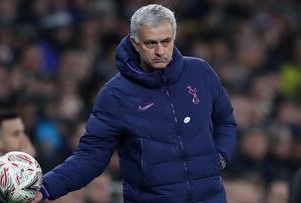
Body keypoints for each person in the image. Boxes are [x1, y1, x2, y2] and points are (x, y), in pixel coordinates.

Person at [32, 4, 237, 203]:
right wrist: (48, 187)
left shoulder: (199, 72)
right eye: (151, 43)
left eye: (166, 42)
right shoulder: (116, 94)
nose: (160, 51)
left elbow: (225, 120)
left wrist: (219, 158)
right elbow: (91, 156)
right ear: (134, 42)